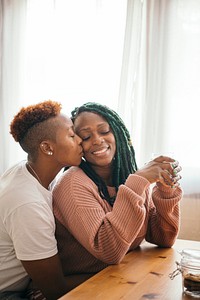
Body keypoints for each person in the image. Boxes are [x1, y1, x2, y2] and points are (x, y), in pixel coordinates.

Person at [53, 102, 183, 288]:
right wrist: (138, 181)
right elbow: (109, 251)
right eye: (86, 136)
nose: (97, 140)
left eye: (104, 131)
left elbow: (163, 238)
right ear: (78, 143)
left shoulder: (129, 176)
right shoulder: (72, 183)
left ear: (119, 133)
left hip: (119, 278)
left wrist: (165, 188)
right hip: (79, 287)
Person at [0, 100, 83, 300]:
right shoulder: (28, 204)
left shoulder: (28, 170)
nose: (81, 140)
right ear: (47, 148)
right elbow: (56, 290)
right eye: (72, 135)